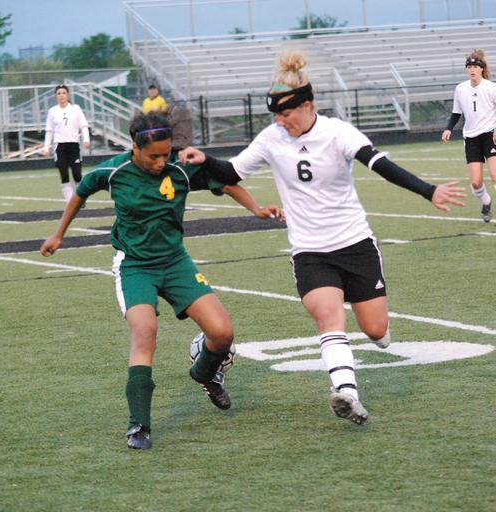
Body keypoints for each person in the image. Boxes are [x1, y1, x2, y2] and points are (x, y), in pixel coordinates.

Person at [180, 51, 466, 425]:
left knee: (376, 330)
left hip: (356, 244)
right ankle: (348, 395)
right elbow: (232, 172)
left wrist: (429, 191)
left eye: (286, 114)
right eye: (275, 116)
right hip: (310, 252)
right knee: (329, 318)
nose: (280, 122)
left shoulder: (337, 132)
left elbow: (380, 165)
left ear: (307, 105)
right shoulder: (271, 138)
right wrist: (205, 160)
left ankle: (375, 338)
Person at [40, 111, 282, 450]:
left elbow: (226, 184)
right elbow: (81, 193)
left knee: (222, 333)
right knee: (145, 332)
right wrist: (58, 234)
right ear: (135, 149)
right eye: (153, 156)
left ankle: (204, 373)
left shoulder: (179, 168)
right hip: (135, 265)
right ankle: (138, 425)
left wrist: (255, 209)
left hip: (175, 262)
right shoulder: (114, 171)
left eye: (165, 154)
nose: (160, 162)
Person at [441, 49, 496, 225]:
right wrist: (448, 128)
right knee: (475, 183)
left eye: (475, 66)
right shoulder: (460, 89)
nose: (472, 69)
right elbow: (456, 113)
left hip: (490, 135)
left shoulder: (491, 87)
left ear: (482, 69)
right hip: (471, 138)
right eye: (469, 67)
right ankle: (486, 202)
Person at [42, 84, 91, 203]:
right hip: (60, 146)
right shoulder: (52, 111)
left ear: (68, 94)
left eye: (64, 93)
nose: (61, 96)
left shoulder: (76, 108)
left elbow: (83, 125)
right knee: (64, 175)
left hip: (73, 145)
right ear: (56, 96)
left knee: (77, 175)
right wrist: (46, 147)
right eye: (59, 93)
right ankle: (71, 203)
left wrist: (86, 139)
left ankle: (80, 198)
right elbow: (49, 130)